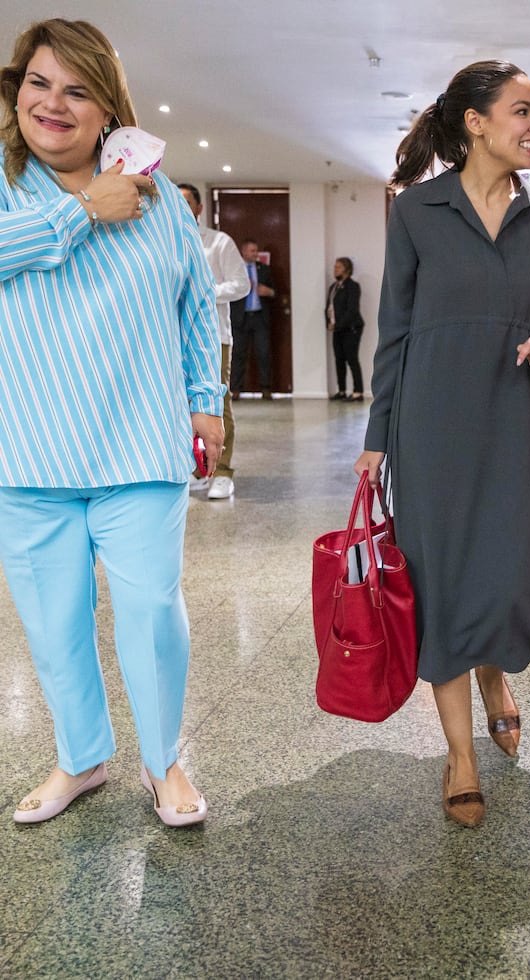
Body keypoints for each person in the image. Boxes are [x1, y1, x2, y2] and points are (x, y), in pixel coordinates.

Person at [0, 18, 222, 826]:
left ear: (107, 111)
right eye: (38, 83)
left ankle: (164, 765)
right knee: (54, 627)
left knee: (152, 616)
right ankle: (80, 760)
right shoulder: (5, 180)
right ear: (16, 88)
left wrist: (207, 397)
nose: (51, 104)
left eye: (76, 89)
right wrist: (82, 211)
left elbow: (195, 303)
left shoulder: (157, 194)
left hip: (137, 445)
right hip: (25, 453)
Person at [354, 60, 530, 828]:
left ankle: (494, 677)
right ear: (476, 122)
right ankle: (459, 753)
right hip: (432, 423)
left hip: (515, 419)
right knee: (442, 576)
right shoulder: (417, 211)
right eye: (522, 111)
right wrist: (377, 436)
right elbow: (396, 331)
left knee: (505, 573)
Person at [178, 182, 250, 499]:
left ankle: (221, 472)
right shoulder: (164, 240)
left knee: (216, 405)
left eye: (185, 202)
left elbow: (241, 284)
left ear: (198, 208)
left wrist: (204, 293)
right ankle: (195, 469)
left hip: (212, 337)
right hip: (172, 339)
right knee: (179, 406)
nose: (179, 208)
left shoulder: (218, 243)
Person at [230, 238, 276, 399]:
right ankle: (235, 389)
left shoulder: (264, 269)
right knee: (238, 354)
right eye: (252, 251)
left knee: (263, 353)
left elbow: (274, 291)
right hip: (240, 317)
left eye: (256, 250)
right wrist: (240, 287)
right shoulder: (235, 270)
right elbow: (227, 291)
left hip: (259, 317)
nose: (256, 254)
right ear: (243, 252)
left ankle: (266, 388)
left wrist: (269, 292)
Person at [326, 256, 365, 402]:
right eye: (335, 266)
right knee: (339, 359)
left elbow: (352, 310)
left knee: (351, 358)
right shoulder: (333, 287)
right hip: (338, 329)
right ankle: (341, 390)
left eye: (338, 267)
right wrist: (329, 322)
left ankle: (358, 391)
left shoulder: (353, 286)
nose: (335, 269)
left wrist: (339, 324)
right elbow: (329, 307)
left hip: (351, 328)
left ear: (347, 269)